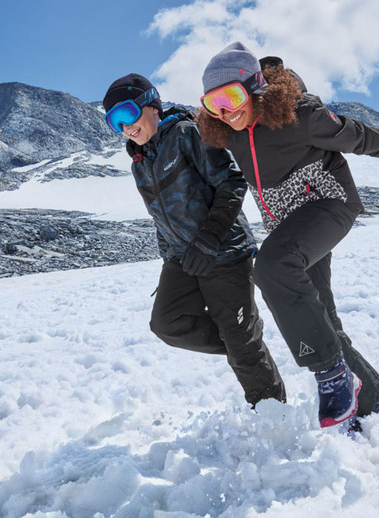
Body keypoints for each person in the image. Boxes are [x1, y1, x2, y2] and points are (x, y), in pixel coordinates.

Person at [197, 42, 379, 428]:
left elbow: (359, 136)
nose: (226, 111)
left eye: (232, 97)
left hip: (329, 204)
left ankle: (332, 375)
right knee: (320, 318)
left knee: (272, 265)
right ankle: (374, 399)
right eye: (213, 105)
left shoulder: (299, 116)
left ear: (254, 87)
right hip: (291, 226)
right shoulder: (231, 134)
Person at [102, 73, 286, 407]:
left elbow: (232, 183)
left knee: (241, 344)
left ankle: (275, 420)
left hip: (225, 251)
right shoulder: (140, 163)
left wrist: (209, 238)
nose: (125, 127)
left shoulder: (187, 134)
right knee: (167, 324)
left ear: (151, 105)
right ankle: (243, 338)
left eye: (127, 114)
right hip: (181, 258)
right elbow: (160, 214)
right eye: (114, 121)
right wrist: (168, 256)